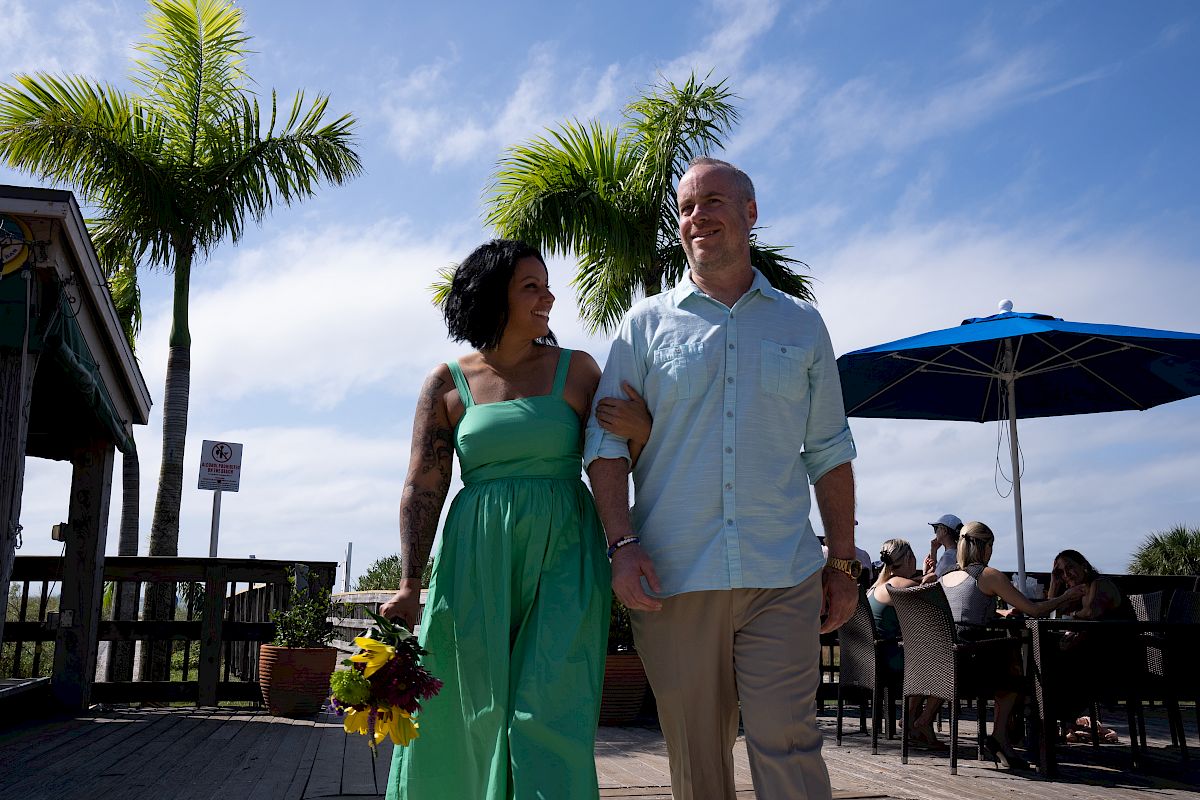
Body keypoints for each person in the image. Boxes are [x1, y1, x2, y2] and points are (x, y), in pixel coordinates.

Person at [586, 157, 859, 800]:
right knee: (698, 762)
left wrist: (842, 565)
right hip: (674, 577)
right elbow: (604, 444)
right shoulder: (645, 325)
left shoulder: (801, 324)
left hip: (782, 574)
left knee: (788, 742)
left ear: (750, 213)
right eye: (685, 208)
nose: (697, 217)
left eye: (712, 200)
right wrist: (622, 547)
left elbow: (830, 449)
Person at [381, 240, 650, 800]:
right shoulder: (447, 382)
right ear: (493, 297)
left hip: (565, 551)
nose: (549, 296)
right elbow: (423, 483)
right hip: (475, 555)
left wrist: (642, 432)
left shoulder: (577, 371)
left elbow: (613, 459)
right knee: (465, 704)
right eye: (532, 286)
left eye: (547, 285)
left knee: (551, 706)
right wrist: (411, 582)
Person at [940, 521, 1086, 768]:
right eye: (991, 546)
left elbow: (965, 613)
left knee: (1008, 656)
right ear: (985, 547)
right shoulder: (988, 575)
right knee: (1014, 663)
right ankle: (1001, 735)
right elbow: (1035, 610)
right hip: (970, 666)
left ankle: (1003, 737)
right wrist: (1067, 597)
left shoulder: (947, 577)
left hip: (944, 663)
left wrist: (999, 613)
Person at [1044, 548, 1131, 743]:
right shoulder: (1079, 592)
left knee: (1055, 662)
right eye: (1061, 572)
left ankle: (1049, 721)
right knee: (1049, 657)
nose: (1066, 575)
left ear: (1084, 566)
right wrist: (1054, 581)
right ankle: (1052, 721)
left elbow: (1090, 614)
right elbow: (1053, 608)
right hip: (1095, 656)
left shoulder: (1101, 585)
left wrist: (1071, 619)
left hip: (1119, 660)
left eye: (1070, 568)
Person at [867, 538, 944, 748]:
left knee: (924, 656)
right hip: (891, 660)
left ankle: (915, 724)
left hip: (874, 659)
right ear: (909, 558)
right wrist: (928, 578)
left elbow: (914, 585)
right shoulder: (898, 584)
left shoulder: (875, 586)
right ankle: (914, 720)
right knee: (943, 661)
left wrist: (922, 577)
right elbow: (927, 596)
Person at [921, 513, 962, 584]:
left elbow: (934, 580)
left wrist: (924, 572)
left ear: (945, 531)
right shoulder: (955, 553)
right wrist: (933, 551)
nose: (935, 532)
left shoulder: (949, 556)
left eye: (936, 528)